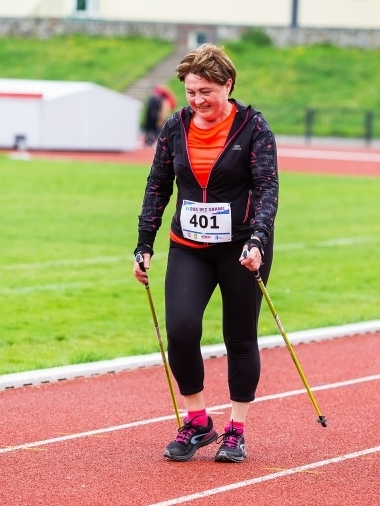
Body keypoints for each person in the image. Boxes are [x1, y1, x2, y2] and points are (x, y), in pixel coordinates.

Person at [132, 43, 279, 463]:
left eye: (206, 91)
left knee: (239, 336)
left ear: (227, 85)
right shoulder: (175, 127)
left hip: (241, 249)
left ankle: (236, 429)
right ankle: (198, 421)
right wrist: (145, 242)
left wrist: (258, 240)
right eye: (191, 91)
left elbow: (268, 187)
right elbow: (157, 185)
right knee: (180, 331)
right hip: (189, 247)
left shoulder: (254, 127)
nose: (197, 100)